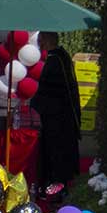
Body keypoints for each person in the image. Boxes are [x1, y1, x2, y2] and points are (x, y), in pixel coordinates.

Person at [31, 31, 81, 199]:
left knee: (56, 152)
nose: (38, 42)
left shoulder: (54, 61)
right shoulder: (61, 56)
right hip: (61, 113)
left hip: (57, 117)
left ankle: (57, 187)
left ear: (45, 40)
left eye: (40, 39)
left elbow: (47, 90)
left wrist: (33, 102)